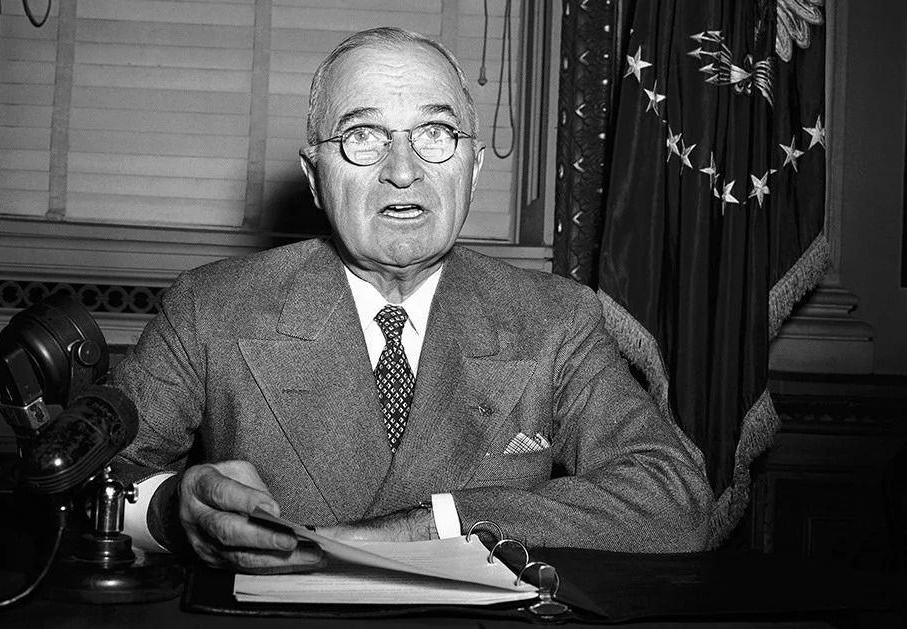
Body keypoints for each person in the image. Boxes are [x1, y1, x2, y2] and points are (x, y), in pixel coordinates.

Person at [112, 27, 713, 573]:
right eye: (362, 136)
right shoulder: (211, 309)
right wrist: (170, 511)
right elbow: (92, 479)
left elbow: (674, 498)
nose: (403, 170)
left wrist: (440, 524)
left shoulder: (556, 319)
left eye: (435, 133)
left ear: (472, 169)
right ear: (315, 176)